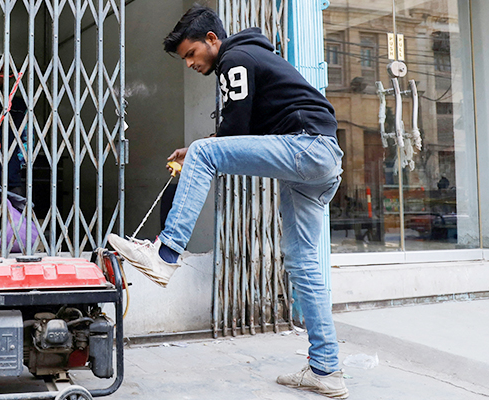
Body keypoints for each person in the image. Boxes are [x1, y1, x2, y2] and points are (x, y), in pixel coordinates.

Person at [107, 5, 347, 398]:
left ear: (212, 40)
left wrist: (200, 151)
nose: (189, 63)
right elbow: (239, 131)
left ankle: (165, 256)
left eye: (191, 54)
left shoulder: (234, 58)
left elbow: (233, 130)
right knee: (302, 262)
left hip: (306, 148)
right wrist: (200, 151)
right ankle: (326, 369)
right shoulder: (254, 56)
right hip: (321, 159)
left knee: (204, 152)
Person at [0, 55, 28, 197]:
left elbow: (28, 139)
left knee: (14, 216)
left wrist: (16, 164)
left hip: (10, 179)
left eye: (0, 70)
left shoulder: (19, 106)